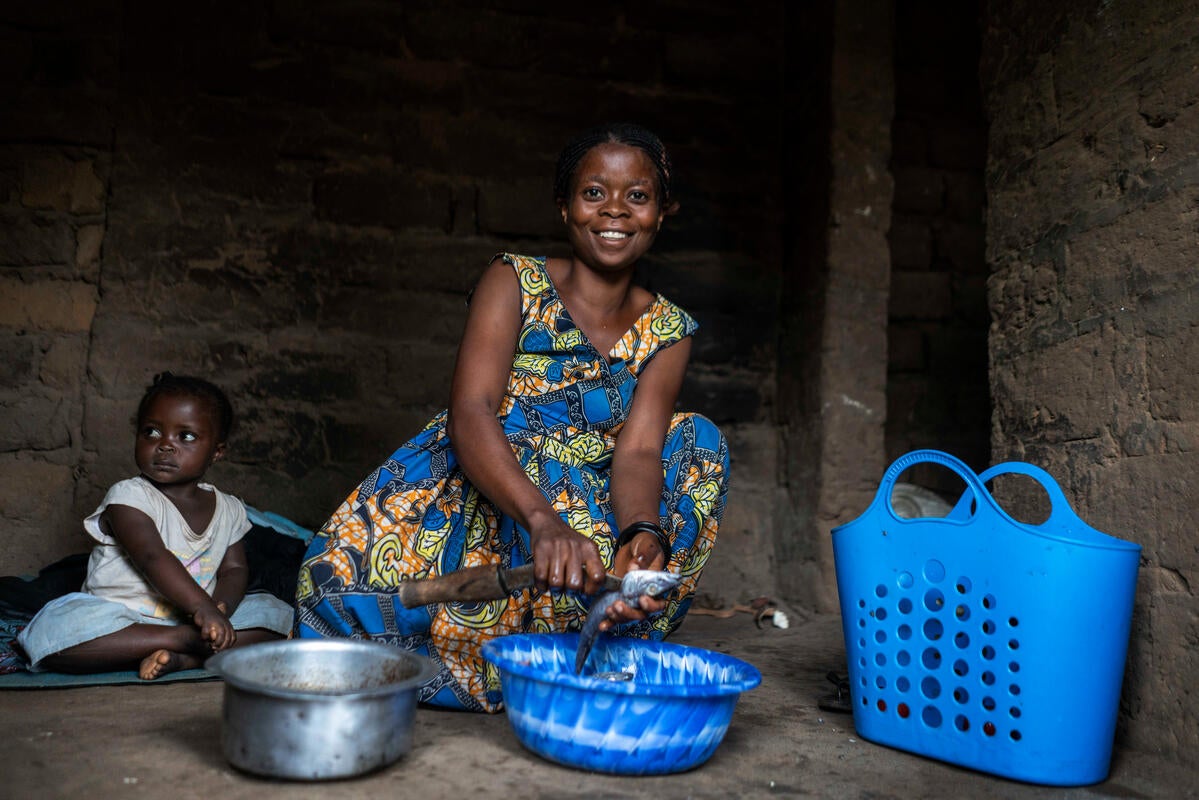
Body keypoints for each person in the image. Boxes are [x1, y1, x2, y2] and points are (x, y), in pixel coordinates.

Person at [294, 122, 730, 711]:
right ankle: (526, 649)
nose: (615, 212)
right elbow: (470, 411)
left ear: (661, 212)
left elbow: (640, 451)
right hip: (489, 482)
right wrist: (542, 520)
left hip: (591, 501)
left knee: (700, 440)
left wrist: (641, 531)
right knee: (339, 588)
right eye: (594, 192)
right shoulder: (514, 281)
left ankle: (598, 620)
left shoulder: (669, 331)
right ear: (564, 206)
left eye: (638, 196)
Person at [17, 373, 293, 679]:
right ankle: (185, 643)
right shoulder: (128, 496)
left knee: (277, 617)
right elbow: (151, 555)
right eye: (151, 432)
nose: (165, 446)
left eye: (185, 436)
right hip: (120, 618)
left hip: (201, 616)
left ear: (217, 451)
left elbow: (235, 569)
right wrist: (201, 612)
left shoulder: (229, 508)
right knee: (53, 632)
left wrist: (220, 611)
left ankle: (183, 660)